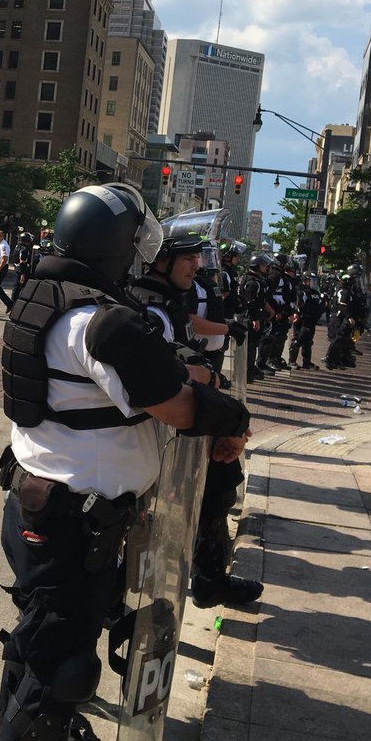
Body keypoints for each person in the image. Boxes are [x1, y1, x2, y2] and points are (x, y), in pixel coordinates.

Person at [0, 184, 250, 741]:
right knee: (57, 672)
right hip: (74, 521)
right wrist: (228, 418)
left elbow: (140, 376)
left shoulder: (46, 298)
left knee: (39, 660)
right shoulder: (101, 324)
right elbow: (180, 407)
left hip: (50, 509)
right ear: (116, 249)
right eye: (136, 241)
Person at [133, 234, 262, 610]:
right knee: (147, 510)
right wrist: (208, 379)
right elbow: (164, 371)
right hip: (159, 427)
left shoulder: (166, 300)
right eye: (187, 257)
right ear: (159, 262)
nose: (197, 265)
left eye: (197, 257)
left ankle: (209, 580)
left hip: (177, 420)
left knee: (218, 487)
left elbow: (182, 340)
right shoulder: (149, 306)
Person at [288, 274, 323, 369]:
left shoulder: (315, 292)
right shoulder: (302, 291)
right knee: (298, 340)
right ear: (304, 280)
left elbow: (320, 305)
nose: (311, 283)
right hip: (303, 320)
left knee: (308, 342)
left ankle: (307, 363)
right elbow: (298, 305)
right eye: (310, 280)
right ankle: (291, 361)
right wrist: (297, 314)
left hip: (312, 320)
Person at [11, 231, 35, 304]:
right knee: (22, 288)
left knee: (16, 287)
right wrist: (22, 274)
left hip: (16, 269)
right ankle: (16, 304)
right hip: (22, 270)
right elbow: (22, 262)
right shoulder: (25, 249)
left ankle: (12, 303)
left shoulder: (17, 247)